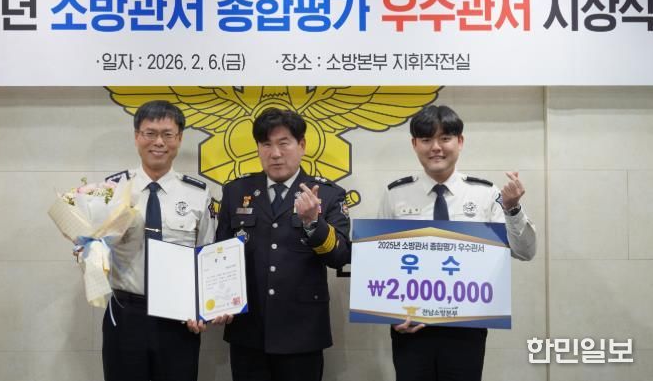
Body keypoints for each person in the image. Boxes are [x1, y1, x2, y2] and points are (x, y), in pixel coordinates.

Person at [378, 105, 536, 381]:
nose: (436, 147)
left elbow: (525, 252)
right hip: (410, 325)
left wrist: (512, 209)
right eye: (426, 139)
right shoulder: (395, 194)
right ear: (414, 144)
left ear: (460, 141)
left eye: (445, 138)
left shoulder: (485, 194)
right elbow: (380, 261)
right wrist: (390, 314)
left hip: (467, 326)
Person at [214, 107, 351, 381]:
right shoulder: (236, 191)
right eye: (266, 144)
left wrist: (313, 222)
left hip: (302, 332)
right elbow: (220, 253)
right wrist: (217, 301)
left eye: (284, 143)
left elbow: (340, 256)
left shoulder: (327, 194)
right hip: (248, 331)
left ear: (302, 145)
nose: (275, 153)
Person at [101, 100, 216, 381]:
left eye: (167, 134)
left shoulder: (198, 194)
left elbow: (208, 258)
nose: (159, 142)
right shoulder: (112, 191)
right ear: (136, 136)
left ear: (179, 138)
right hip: (126, 312)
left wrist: (202, 309)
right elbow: (95, 249)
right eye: (150, 133)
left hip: (178, 317)